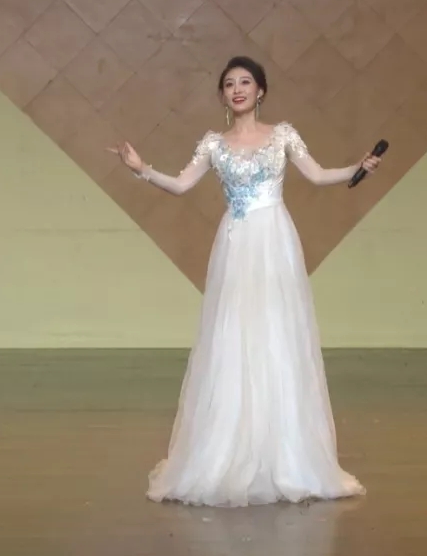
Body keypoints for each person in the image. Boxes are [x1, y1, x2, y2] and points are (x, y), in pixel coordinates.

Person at [108, 56, 381, 508]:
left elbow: (316, 175)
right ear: (222, 95)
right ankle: (229, 450)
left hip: (274, 241)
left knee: (276, 335)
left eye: (246, 82)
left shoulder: (283, 135)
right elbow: (181, 185)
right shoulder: (214, 144)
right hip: (236, 245)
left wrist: (358, 167)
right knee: (233, 336)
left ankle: (286, 455)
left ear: (261, 91)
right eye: (230, 83)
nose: (237, 89)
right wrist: (141, 167)